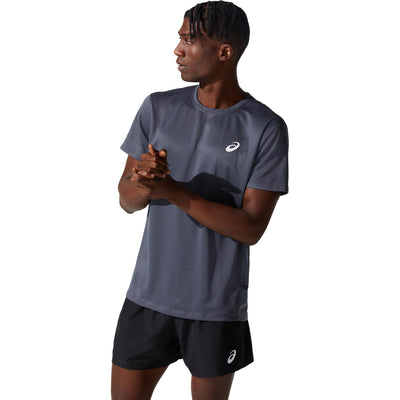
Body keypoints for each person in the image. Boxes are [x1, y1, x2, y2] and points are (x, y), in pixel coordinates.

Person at [111, 1, 289, 399]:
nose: (178, 49)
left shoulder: (265, 127)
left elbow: (251, 228)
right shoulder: (157, 107)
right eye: (179, 39)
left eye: (189, 40)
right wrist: (144, 184)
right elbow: (126, 200)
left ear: (224, 52)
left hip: (214, 308)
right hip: (147, 297)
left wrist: (172, 190)